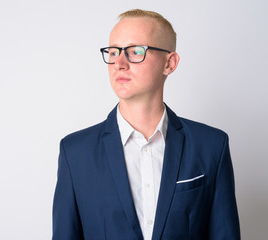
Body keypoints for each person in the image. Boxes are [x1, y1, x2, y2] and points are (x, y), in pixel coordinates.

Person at [52, 9, 240, 240]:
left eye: (135, 51)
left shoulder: (211, 146)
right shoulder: (75, 152)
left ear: (169, 63)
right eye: (113, 52)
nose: (119, 63)